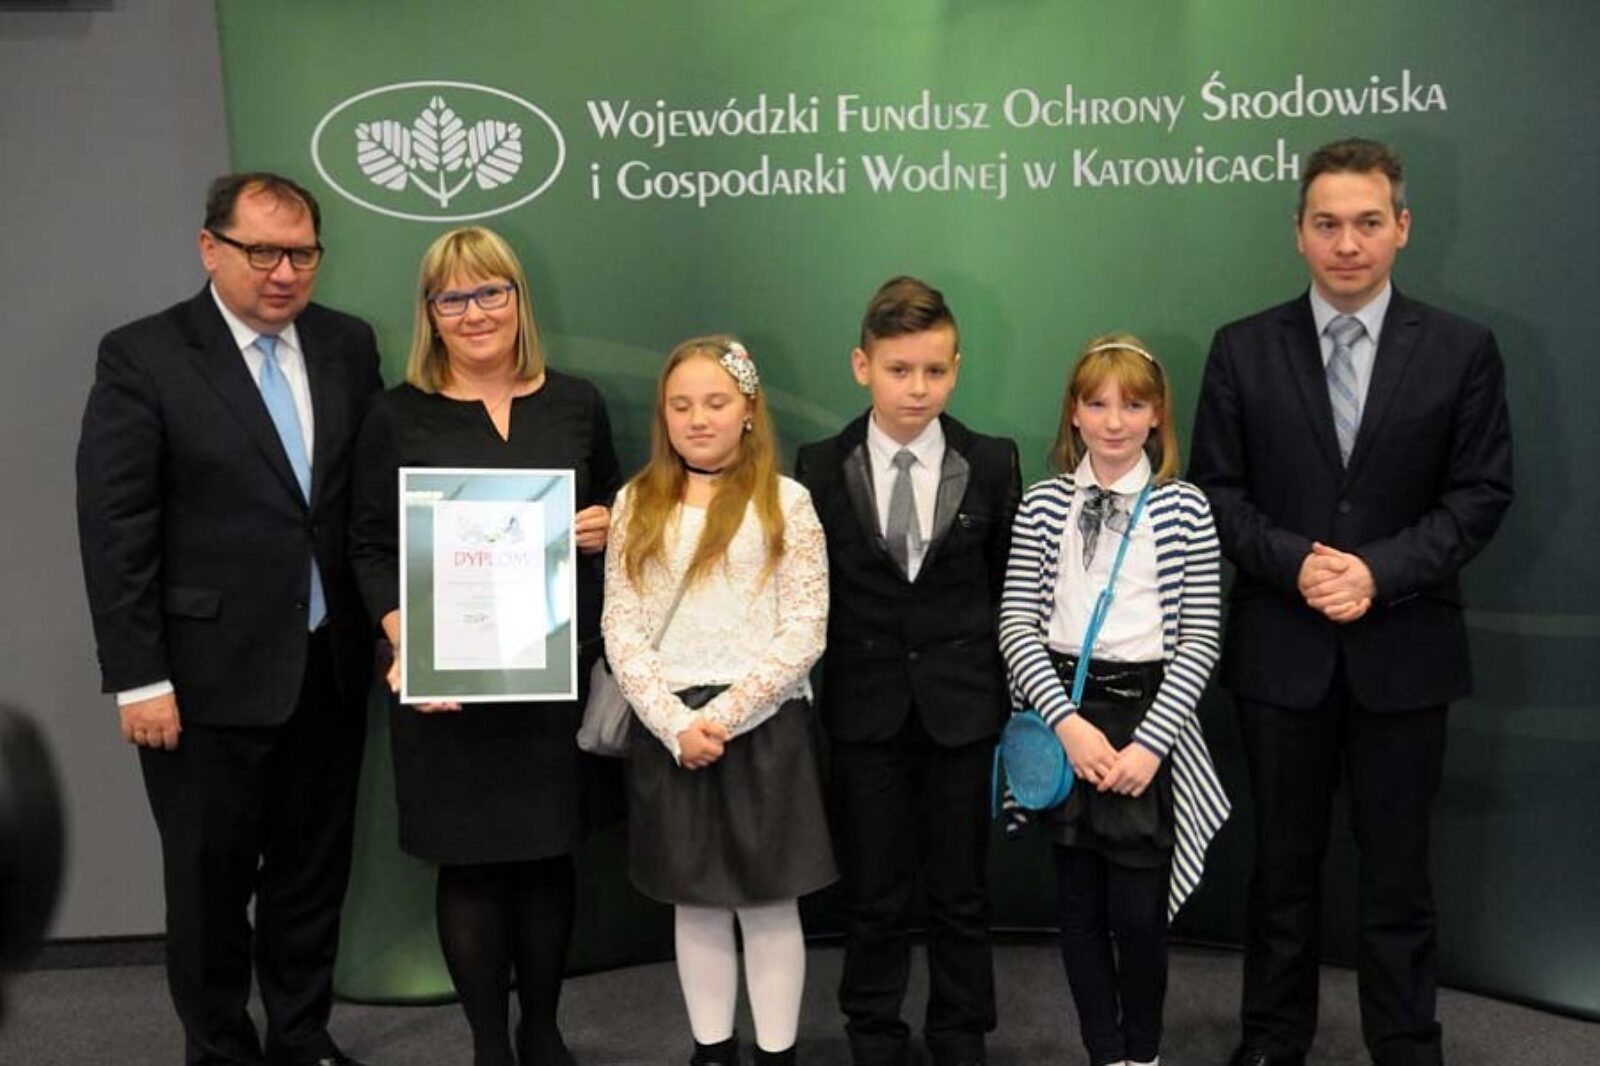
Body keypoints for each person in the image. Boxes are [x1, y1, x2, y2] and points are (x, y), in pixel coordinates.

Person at [1188, 138, 1514, 1066]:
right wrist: (1298, 565)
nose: (1347, 243)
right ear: (1297, 232)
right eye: (1326, 223)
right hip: (1281, 654)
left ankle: (1407, 1044)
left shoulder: (1462, 350)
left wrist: (1377, 573)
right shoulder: (1242, 348)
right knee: (1281, 874)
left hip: (1405, 653)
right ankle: (1271, 1041)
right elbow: (1217, 493)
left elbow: (1481, 494)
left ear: (1402, 228)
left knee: (1400, 878)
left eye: (1368, 222)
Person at [76, 173, 382, 1066]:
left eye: (302, 255)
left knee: (311, 872)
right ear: (210, 248)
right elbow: (116, 528)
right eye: (263, 253)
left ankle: (301, 1035)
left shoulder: (347, 344)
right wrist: (140, 677)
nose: (284, 274)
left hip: (327, 664)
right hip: (200, 680)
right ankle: (217, 1049)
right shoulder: (144, 356)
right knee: (208, 885)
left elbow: (365, 503)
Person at [348, 226, 620, 1066]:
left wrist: (607, 525)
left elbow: (618, 508)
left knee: (546, 861)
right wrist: (411, 645)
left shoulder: (576, 403)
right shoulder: (396, 413)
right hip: (447, 686)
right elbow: (369, 545)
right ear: (430, 313)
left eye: (490, 292)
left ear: (517, 298)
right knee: (470, 868)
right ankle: (488, 1044)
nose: (474, 313)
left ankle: (542, 1031)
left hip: (550, 677)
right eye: (453, 298)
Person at [794, 277, 1020, 1066]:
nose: (916, 388)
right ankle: (874, 1033)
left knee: (961, 889)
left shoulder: (991, 462)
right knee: (874, 890)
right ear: (862, 366)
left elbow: (1005, 587)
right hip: (865, 712)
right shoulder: (820, 466)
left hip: (963, 711)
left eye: (934, 370)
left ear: (956, 368)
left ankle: (961, 1033)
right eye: (898, 370)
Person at [602, 335, 834, 1065]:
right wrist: (675, 724)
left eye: (715, 402)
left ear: (748, 409)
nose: (698, 418)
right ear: (664, 416)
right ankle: (712, 1050)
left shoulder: (786, 502)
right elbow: (621, 627)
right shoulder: (636, 502)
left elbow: (806, 627)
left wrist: (724, 717)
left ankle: (776, 1053)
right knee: (695, 900)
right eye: (681, 405)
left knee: (769, 900)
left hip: (764, 729)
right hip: (670, 731)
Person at [998, 334, 1230, 1066]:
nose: (1114, 421)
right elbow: (1016, 625)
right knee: (1078, 912)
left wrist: (1151, 745)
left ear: (1157, 415)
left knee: (1138, 915)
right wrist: (1067, 726)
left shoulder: (1185, 508)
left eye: (1132, 406)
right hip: (1067, 716)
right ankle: (1104, 1052)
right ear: (1074, 412)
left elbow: (1201, 639)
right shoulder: (1043, 505)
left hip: (1146, 724)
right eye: (1097, 404)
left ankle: (1143, 1052)